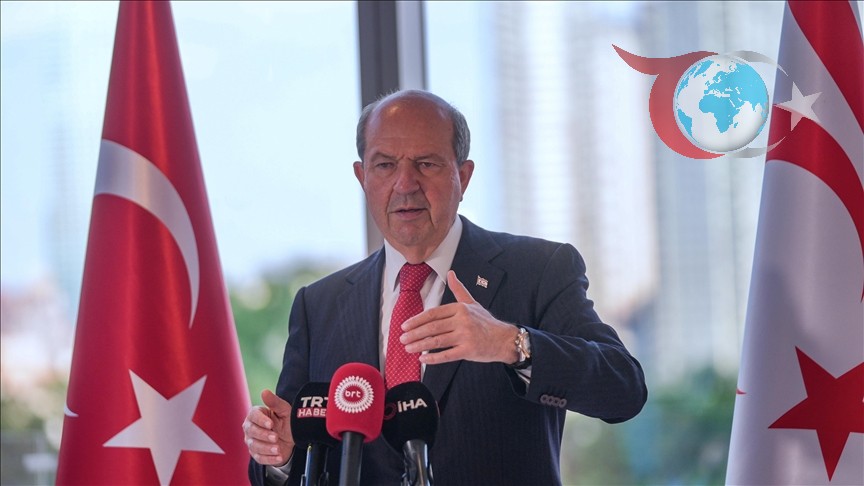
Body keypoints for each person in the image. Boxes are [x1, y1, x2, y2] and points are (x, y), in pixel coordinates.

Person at [243, 89, 647, 485]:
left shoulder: (537, 270)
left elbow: (623, 389)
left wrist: (510, 344)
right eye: (384, 165)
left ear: (463, 176)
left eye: (426, 164)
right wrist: (281, 454)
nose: (405, 184)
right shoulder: (320, 305)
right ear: (362, 177)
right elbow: (286, 460)